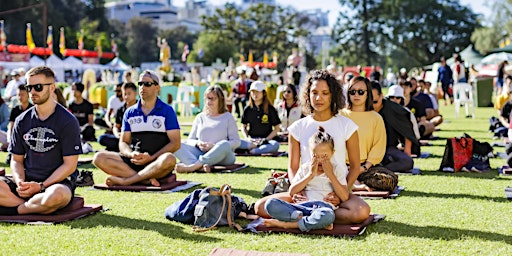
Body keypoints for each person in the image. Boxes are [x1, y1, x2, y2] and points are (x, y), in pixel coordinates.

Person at [255, 70, 370, 225]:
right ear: (307, 94)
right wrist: (299, 190)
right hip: (304, 192)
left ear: (333, 95)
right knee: (260, 207)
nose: (318, 98)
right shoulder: (298, 127)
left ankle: (300, 216)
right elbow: (293, 167)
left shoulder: (347, 126)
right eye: (314, 92)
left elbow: (355, 167)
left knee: (361, 211)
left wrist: (339, 194)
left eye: (324, 93)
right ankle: (317, 217)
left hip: (335, 193)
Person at [0, 66, 82, 215]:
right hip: (27, 180)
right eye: (29, 87)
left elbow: (70, 165)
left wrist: (41, 186)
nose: (32, 92)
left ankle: (16, 208)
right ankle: (29, 206)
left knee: (56, 196)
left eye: (38, 87)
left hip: (55, 184)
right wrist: (20, 183)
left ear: (52, 88)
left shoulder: (68, 121)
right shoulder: (21, 120)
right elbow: (16, 160)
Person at [92, 70, 180, 186]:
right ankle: (144, 179)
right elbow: (123, 142)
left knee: (169, 159)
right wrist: (131, 154)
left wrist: (152, 157)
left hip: (157, 160)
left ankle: (127, 180)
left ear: (157, 88)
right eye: (140, 84)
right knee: (98, 157)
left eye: (147, 84)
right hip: (134, 160)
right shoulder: (129, 112)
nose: (143, 87)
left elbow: (176, 143)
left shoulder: (167, 111)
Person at [263, 127, 348, 231]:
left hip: (323, 208)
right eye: (316, 156)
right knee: (270, 204)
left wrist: (330, 175)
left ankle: (289, 225)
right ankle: (311, 221)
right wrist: (310, 175)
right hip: (301, 207)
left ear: (333, 152)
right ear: (310, 153)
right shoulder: (306, 168)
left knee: (328, 216)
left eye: (324, 156)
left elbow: (344, 197)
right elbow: (292, 191)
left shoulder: (336, 169)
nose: (320, 160)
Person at [174, 85, 241, 173]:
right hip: (202, 152)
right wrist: (198, 144)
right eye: (207, 98)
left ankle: (193, 166)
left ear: (220, 99)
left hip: (223, 156)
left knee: (224, 144)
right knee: (176, 144)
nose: (209, 101)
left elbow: (236, 141)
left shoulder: (228, 117)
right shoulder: (200, 117)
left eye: (212, 98)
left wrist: (215, 147)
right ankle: (200, 167)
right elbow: (190, 139)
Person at [340, 77, 386, 190]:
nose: (356, 95)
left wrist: (364, 167)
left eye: (360, 92)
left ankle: (352, 182)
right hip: (341, 166)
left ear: (367, 94)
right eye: (352, 92)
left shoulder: (376, 118)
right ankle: (354, 184)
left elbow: (378, 146)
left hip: (366, 167)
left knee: (387, 181)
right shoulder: (340, 115)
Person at [372, 82, 417, 172]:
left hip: (387, 149)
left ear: (381, 96)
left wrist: (407, 151)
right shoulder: (360, 108)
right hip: (365, 151)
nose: (372, 105)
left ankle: (379, 170)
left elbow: (406, 129)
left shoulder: (393, 109)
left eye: (375, 102)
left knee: (407, 161)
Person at [237, 81, 281, 154]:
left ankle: (253, 151)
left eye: (257, 91)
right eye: (253, 92)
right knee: (235, 142)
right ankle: (252, 148)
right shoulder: (247, 109)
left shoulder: (270, 109)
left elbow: (277, 128)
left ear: (263, 93)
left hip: (267, 141)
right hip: (252, 140)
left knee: (275, 145)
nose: (255, 94)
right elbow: (243, 127)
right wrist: (247, 138)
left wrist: (265, 140)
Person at [97, 82, 138, 152]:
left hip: (136, 138)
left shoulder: (142, 108)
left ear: (135, 94)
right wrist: (116, 134)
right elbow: (116, 126)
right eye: (124, 94)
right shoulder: (121, 109)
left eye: (129, 94)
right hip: (122, 138)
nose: (126, 96)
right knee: (101, 138)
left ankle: (120, 148)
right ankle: (122, 147)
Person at [4, 85, 32, 161]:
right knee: (9, 160)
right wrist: (9, 139)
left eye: (22, 95)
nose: (20, 97)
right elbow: (10, 126)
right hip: (17, 137)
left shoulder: (33, 110)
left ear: (28, 95)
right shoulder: (15, 110)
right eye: (18, 95)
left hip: (30, 138)